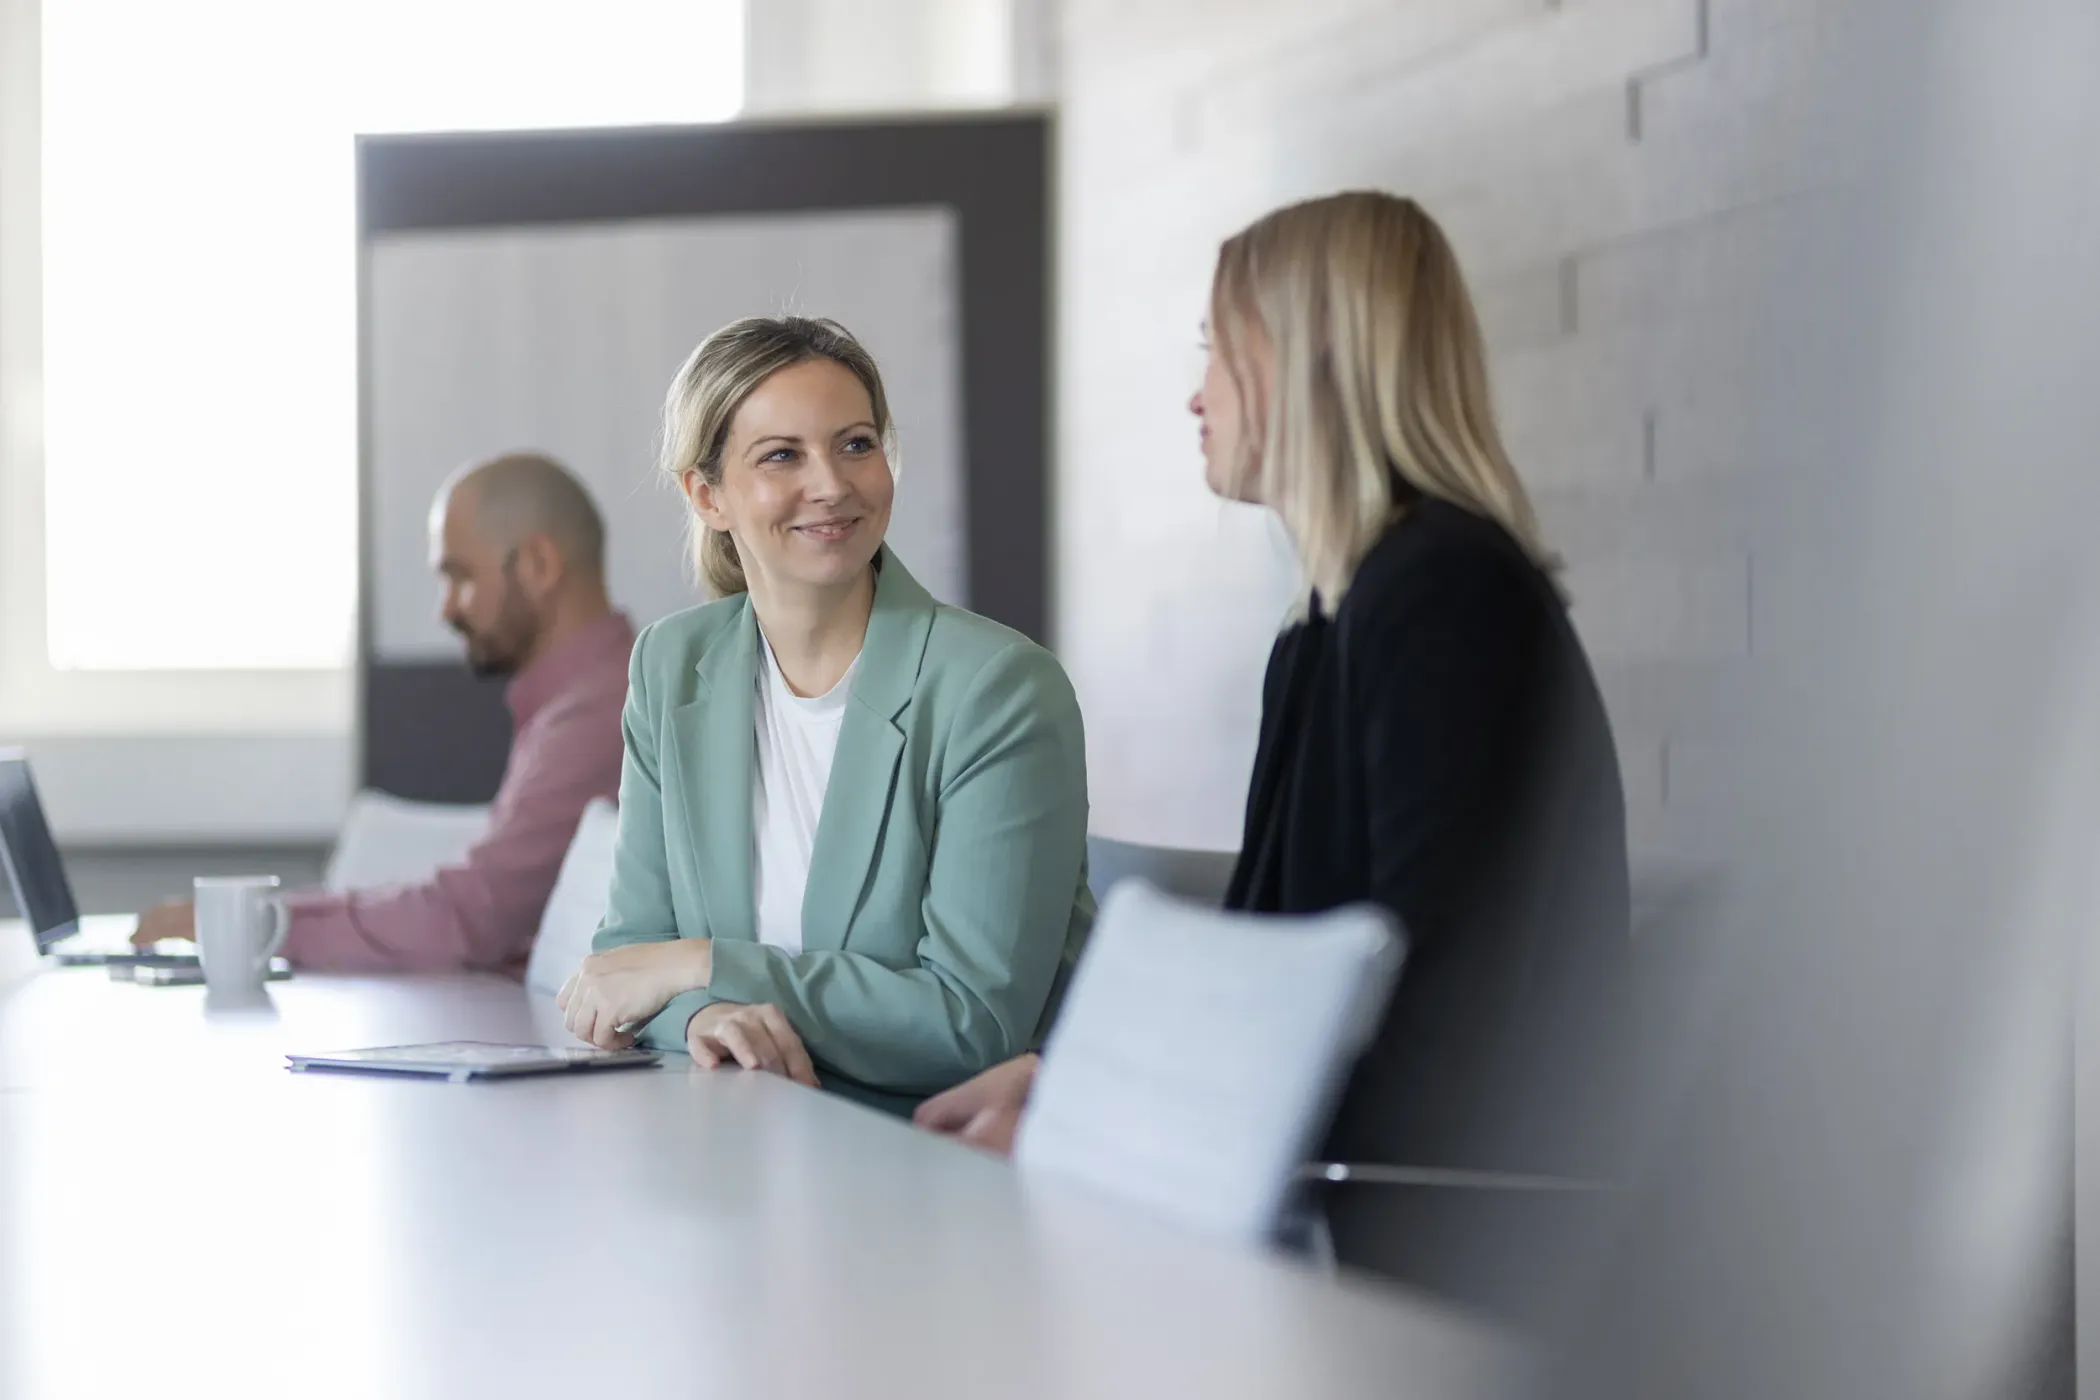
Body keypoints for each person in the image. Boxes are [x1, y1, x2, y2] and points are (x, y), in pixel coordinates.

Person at [917, 191, 1631, 1175]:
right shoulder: (1328, 624)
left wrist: (1102, 1123)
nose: (1196, 393)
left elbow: (1437, 1021)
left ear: (1313, 359)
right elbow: (1272, 982)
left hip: (1416, 1229)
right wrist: (1070, 1074)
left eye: (1217, 347)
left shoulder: (1448, 595)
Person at [555, 316, 1092, 1114]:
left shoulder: (999, 689)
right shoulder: (673, 666)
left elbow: (970, 1022)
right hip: (737, 1131)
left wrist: (705, 965)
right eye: (782, 456)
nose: (833, 484)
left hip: (924, 1153)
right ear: (707, 495)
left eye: (856, 444)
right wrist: (707, 1016)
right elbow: (630, 962)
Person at [132, 453, 636, 976]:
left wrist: (260, 925)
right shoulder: (579, 700)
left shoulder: (595, 716)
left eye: (459, 577)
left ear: (538, 566)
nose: (446, 609)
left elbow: (470, 916)